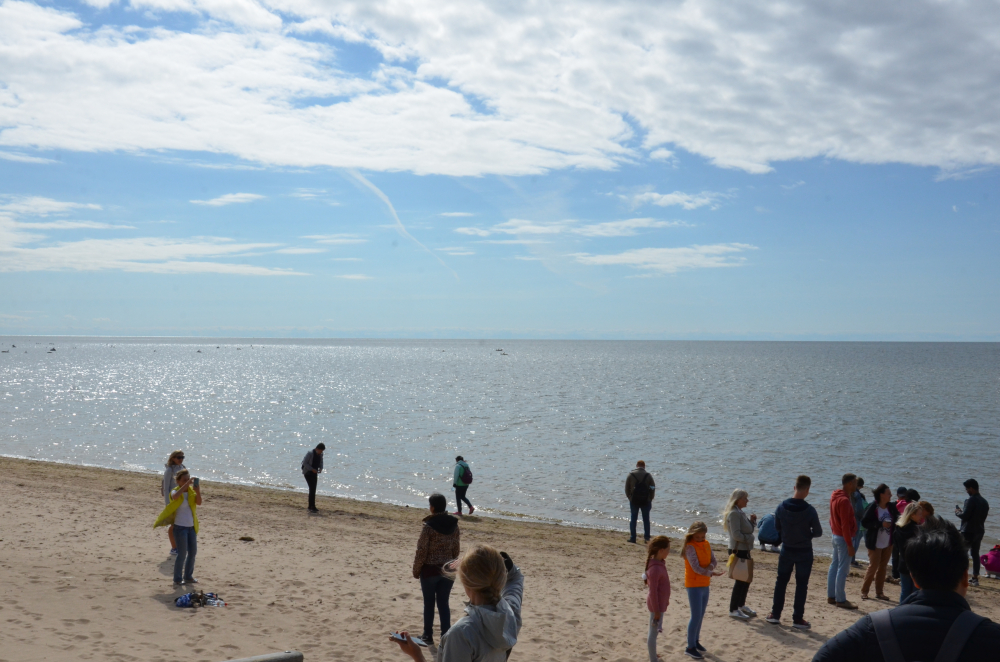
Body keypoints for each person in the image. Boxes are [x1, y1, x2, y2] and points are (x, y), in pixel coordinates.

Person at [812, 517, 1000, 662]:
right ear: (965, 577)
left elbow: (823, 657)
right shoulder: (990, 636)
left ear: (914, 579)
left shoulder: (873, 629)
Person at [391, 545, 523, 662]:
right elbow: (516, 580)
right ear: (500, 578)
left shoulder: (461, 634)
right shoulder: (510, 615)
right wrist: (493, 562)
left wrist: (417, 655)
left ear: (465, 582)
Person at [766, 475, 823, 629]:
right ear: (807, 490)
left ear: (794, 487)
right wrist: (807, 535)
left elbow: (777, 527)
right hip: (804, 551)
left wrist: (788, 535)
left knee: (781, 581)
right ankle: (797, 618)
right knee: (801, 585)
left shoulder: (781, 507)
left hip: (787, 548)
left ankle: (775, 614)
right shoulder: (810, 510)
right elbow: (818, 532)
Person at [412, 493, 461, 647]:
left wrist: (416, 570)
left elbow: (421, 551)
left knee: (429, 603)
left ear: (432, 508)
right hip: (448, 570)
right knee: (443, 603)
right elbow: (456, 550)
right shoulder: (454, 525)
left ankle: (427, 635)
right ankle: (445, 637)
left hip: (430, 571)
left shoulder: (428, 527)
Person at [682, 521, 725, 660]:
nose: (700, 539)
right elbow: (695, 567)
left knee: (700, 615)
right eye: (697, 537)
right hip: (693, 584)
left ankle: (695, 641)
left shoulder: (706, 544)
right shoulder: (690, 547)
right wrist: (710, 573)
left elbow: (714, 560)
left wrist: (710, 569)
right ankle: (690, 647)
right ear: (692, 535)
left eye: (702, 537)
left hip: (705, 584)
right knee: (695, 616)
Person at [153, 468, 203, 586]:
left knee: (192, 553)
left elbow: (199, 502)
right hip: (180, 527)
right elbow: (175, 497)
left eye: (188, 479)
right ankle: (177, 579)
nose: (188, 482)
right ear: (178, 481)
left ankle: (188, 577)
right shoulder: (175, 491)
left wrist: (198, 491)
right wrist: (186, 484)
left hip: (191, 527)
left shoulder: (191, 492)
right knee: (182, 554)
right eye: (184, 480)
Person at [860, 484, 899, 601]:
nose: (891, 495)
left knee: (883, 567)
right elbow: (864, 523)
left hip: (888, 542)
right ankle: (864, 591)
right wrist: (880, 524)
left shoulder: (891, 507)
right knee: (873, 567)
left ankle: (879, 592)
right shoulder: (873, 506)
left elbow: (898, 519)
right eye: (888, 493)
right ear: (881, 495)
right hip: (875, 542)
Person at [723, 488, 757, 620]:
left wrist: (752, 522)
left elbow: (747, 530)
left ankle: (741, 605)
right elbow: (736, 535)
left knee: (746, 579)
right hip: (738, 550)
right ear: (738, 500)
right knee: (740, 580)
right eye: (745, 498)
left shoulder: (739, 512)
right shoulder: (734, 513)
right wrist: (750, 539)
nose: (747, 500)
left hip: (744, 549)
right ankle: (733, 609)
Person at [828, 473, 859, 609]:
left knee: (834, 565)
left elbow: (831, 518)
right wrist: (849, 544)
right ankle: (840, 599)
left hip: (836, 535)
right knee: (843, 568)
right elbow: (845, 525)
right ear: (849, 484)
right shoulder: (844, 500)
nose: (856, 485)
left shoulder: (835, 496)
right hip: (843, 537)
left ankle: (831, 596)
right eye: (855, 483)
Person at [955, 478, 989, 587]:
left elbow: (965, 516)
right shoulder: (984, 502)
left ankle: (962, 576)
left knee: (963, 553)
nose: (966, 491)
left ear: (971, 488)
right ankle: (975, 578)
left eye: (967, 489)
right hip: (979, 530)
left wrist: (957, 512)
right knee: (975, 554)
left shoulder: (970, 500)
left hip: (968, 531)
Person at [644, 536, 671, 662]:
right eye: (668, 550)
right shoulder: (655, 568)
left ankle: (653, 654)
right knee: (653, 633)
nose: (669, 552)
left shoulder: (660, 564)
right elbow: (653, 592)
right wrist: (656, 611)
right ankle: (653, 659)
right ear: (661, 550)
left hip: (660, 605)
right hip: (656, 607)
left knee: (653, 631)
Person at [893, 502, 927, 603]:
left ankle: (901, 609)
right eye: (919, 514)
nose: (921, 516)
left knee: (905, 591)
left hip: (903, 563)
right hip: (915, 565)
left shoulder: (898, 528)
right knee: (915, 593)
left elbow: (896, 547)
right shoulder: (918, 530)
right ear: (912, 515)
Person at [161, 450, 186, 555]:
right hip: (172, 500)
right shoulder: (169, 470)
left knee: (181, 524)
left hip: (182, 500)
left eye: (182, 457)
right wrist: (168, 504)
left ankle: (179, 546)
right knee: (173, 525)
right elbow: (166, 488)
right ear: (173, 458)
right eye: (178, 457)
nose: (180, 459)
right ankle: (174, 547)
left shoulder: (183, 468)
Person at [625, 460, 656, 543]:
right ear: (644, 466)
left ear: (637, 465)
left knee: (633, 519)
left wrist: (630, 498)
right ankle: (647, 538)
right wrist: (651, 498)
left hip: (634, 500)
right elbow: (653, 487)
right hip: (646, 500)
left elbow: (627, 489)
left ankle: (633, 538)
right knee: (646, 520)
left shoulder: (631, 475)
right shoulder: (648, 475)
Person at [301, 443, 325, 513]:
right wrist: (311, 469)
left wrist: (321, 468)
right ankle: (311, 506)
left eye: (322, 451)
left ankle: (312, 506)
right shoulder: (310, 453)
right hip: (308, 473)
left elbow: (321, 462)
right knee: (312, 488)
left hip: (315, 473)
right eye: (320, 450)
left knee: (313, 489)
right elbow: (304, 463)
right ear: (317, 449)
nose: (321, 452)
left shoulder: (321, 454)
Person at [851, 477, 868, 568]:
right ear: (861, 486)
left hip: (849, 519)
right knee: (855, 541)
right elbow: (860, 510)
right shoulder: (858, 495)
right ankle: (852, 560)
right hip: (857, 520)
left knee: (851, 540)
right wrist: (862, 518)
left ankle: (850, 559)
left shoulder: (849, 493)